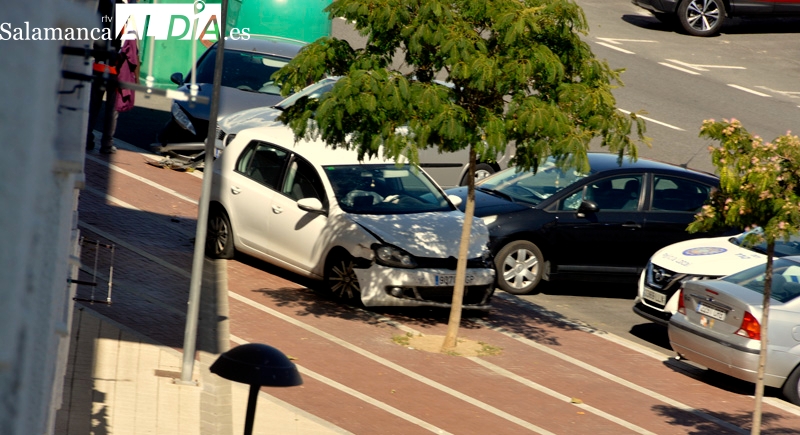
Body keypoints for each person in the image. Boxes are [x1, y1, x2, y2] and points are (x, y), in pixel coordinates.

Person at [86, 0, 140, 154]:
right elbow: (130, 47)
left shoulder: (100, 7)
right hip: (116, 68)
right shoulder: (127, 12)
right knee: (112, 109)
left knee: (92, 105)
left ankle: (87, 139)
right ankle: (107, 144)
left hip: (97, 65)